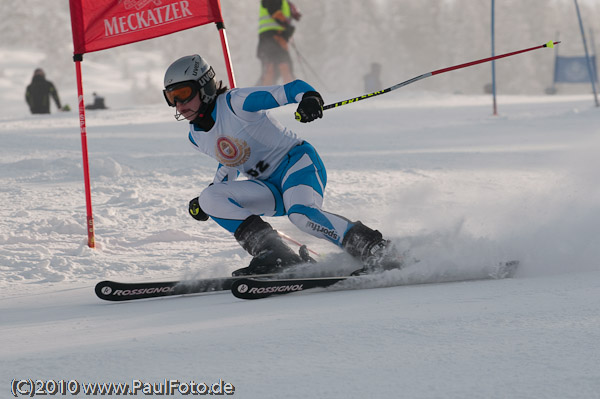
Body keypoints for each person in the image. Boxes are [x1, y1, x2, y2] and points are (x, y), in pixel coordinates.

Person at [163, 55, 402, 276]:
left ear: (204, 86)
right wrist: (209, 198)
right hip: (267, 186)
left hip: (297, 164)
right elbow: (230, 161)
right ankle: (276, 255)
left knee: (301, 215)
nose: (179, 104)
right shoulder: (196, 137)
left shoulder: (237, 103)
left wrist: (309, 98)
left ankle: (375, 249)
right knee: (209, 197)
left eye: (183, 93)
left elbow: (291, 89)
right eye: (171, 98)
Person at [256, 0, 302, 86]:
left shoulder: (286, 3)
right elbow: (274, 10)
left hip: (275, 38)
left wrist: (287, 28)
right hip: (271, 37)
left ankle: (261, 94)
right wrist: (287, 26)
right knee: (279, 68)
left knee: (274, 70)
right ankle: (292, 94)